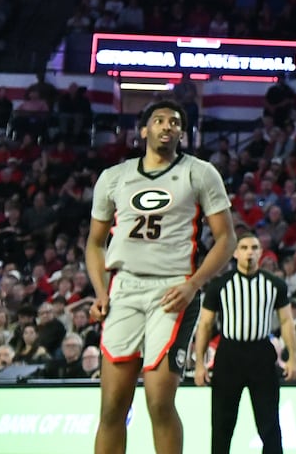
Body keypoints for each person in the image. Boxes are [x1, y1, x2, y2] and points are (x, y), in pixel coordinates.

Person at [87, 99, 235, 454]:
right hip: (124, 288)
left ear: (182, 133)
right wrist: (101, 291)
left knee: (159, 401)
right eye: (159, 120)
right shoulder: (114, 177)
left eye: (174, 122)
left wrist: (193, 284)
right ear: (144, 130)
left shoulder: (199, 172)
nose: (167, 126)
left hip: (172, 289)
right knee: (111, 407)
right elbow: (94, 244)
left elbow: (227, 238)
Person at [192, 229, 296, 454]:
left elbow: (287, 322)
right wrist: (200, 364)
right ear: (235, 253)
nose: (249, 252)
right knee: (222, 421)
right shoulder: (220, 285)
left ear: (261, 252)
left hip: (261, 353)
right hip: (229, 354)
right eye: (244, 248)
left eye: (253, 248)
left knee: (269, 420)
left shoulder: (275, 284)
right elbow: (205, 325)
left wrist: (292, 358)